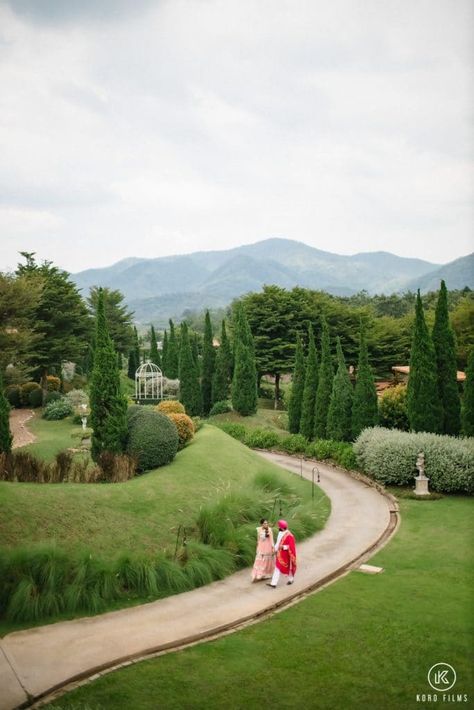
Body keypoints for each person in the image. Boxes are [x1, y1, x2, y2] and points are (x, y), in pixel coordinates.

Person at [266, 519, 296, 588]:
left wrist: (284, 547)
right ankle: (273, 583)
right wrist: (274, 550)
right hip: (279, 554)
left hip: (286, 555)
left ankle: (291, 579)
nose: (278, 527)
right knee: (277, 567)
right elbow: (278, 543)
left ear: (282, 527)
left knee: (286, 568)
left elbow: (291, 547)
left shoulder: (290, 535)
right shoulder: (280, 533)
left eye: (279, 526)